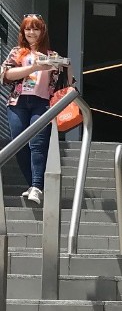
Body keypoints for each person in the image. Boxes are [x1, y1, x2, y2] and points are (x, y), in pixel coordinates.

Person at [0, 13, 74, 206]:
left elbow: (67, 83)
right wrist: (34, 68)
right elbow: (5, 75)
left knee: (38, 144)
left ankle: (36, 186)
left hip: (42, 103)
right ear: (23, 31)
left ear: (42, 31)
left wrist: (68, 66)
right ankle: (33, 185)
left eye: (36, 28)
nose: (31, 32)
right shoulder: (17, 53)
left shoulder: (52, 56)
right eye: (28, 28)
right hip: (18, 103)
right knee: (19, 143)